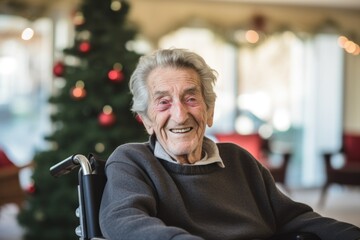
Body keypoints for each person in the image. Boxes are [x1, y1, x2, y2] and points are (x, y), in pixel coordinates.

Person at [99, 48, 360, 240]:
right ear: (146, 120)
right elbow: (124, 221)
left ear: (210, 111)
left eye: (191, 99)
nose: (179, 115)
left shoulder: (238, 159)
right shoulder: (133, 161)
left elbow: (294, 217)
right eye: (164, 102)